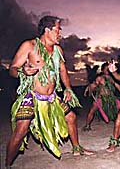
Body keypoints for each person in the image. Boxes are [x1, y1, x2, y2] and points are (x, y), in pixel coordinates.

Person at [6, 16, 93, 167]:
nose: (60, 32)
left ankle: (77, 148)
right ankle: (7, 164)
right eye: (58, 29)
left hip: (52, 97)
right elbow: (12, 69)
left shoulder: (58, 50)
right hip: (32, 96)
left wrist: (67, 89)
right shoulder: (30, 46)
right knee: (21, 130)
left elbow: (63, 71)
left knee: (71, 117)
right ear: (48, 30)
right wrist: (23, 70)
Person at [83, 63, 120, 131]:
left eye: (108, 69)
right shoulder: (99, 78)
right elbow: (93, 85)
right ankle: (87, 125)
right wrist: (89, 89)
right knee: (92, 111)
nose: (108, 70)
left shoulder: (112, 78)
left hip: (111, 98)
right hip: (101, 99)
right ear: (103, 70)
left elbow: (119, 87)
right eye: (106, 69)